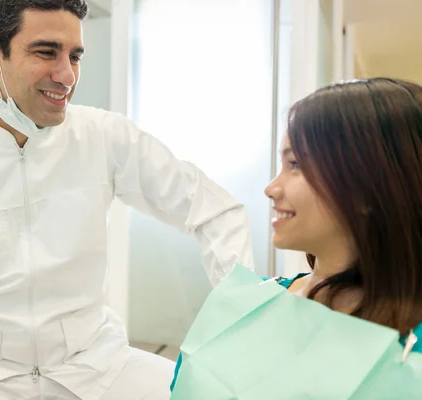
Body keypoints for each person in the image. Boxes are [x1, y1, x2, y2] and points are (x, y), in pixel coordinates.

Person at [0, 1, 253, 399]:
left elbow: (213, 209)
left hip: (95, 365)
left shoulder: (103, 137)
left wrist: (249, 315)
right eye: (46, 51)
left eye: (75, 56)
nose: (67, 75)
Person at [171, 78, 422, 398]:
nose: (271, 189)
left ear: (367, 186)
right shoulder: (248, 304)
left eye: (295, 165)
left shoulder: (410, 350)